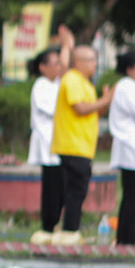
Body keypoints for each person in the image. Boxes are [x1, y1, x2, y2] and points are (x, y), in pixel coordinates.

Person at [51, 41, 113, 243]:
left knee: (77, 190)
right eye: (92, 60)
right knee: (75, 190)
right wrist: (105, 100)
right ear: (78, 61)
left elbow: (93, 110)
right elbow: (80, 108)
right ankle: (70, 231)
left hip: (83, 146)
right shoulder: (72, 79)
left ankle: (69, 229)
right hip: (72, 144)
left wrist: (104, 101)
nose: (95, 64)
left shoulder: (86, 83)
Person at [107, 51, 135, 246]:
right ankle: (127, 240)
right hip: (131, 148)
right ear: (132, 68)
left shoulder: (133, 87)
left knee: (133, 197)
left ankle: (126, 239)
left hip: (134, 148)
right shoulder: (127, 87)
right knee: (133, 197)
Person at [27, 45, 64, 241]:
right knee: (51, 187)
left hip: (58, 143)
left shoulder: (56, 83)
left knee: (61, 186)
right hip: (47, 143)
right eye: (55, 63)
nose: (59, 67)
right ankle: (48, 225)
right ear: (43, 67)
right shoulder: (41, 86)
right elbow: (55, 109)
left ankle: (55, 223)